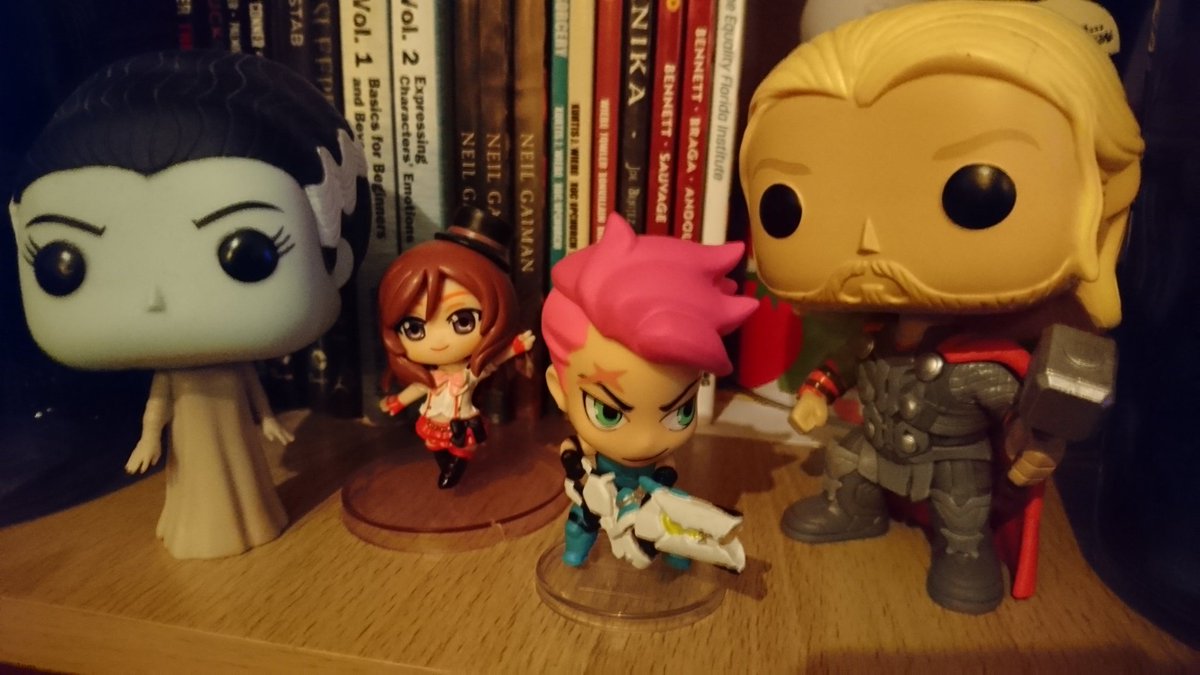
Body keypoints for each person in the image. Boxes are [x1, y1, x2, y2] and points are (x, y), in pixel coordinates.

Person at [738, 1, 1142, 612]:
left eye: (975, 194)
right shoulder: (874, 333)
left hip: (951, 458)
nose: (868, 241)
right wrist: (817, 393)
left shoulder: (985, 362)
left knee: (963, 500)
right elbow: (848, 364)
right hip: (877, 443)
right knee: (847, 458)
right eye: (783, 205)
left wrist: (1036, 440)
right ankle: (854, 509)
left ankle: (963, 549)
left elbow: (1020, 409)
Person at [8, 50, 369, 559]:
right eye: (63, 264)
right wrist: (148, 440)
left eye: (247, 253)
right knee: (203, 480)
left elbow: (251, 393)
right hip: (196, 435)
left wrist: (267, 419)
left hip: (229, 428)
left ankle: (241, 517)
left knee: (238, 477)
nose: (154, 299)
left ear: (331, 237)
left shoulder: (232, 364)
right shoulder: (172, 374)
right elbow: (157, 408)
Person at [542, 213, 757, 568]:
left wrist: (660, 485)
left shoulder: (657, 461)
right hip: (598, 494)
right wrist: (579, 471)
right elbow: (570, 451)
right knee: (582, 522)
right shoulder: (589, 449)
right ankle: (575, 555)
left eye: (681, 411)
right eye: (608, 413)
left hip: (647, 495)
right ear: (558, 388)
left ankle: (678, 558)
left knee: (671, 523)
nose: (645, 441)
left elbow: (667, 469)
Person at [377, 206, 534, 489]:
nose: (438, 341)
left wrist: (515, 348)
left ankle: (456, 468)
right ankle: (447, 466)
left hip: (462, 420)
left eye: (462, 321)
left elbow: (493, 364)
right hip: (435, 420)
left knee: (464, 446)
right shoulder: (431, 376)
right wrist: (398, 401)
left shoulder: (469, 374)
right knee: (434, 445)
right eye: (414, 328)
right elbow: (419, 388)